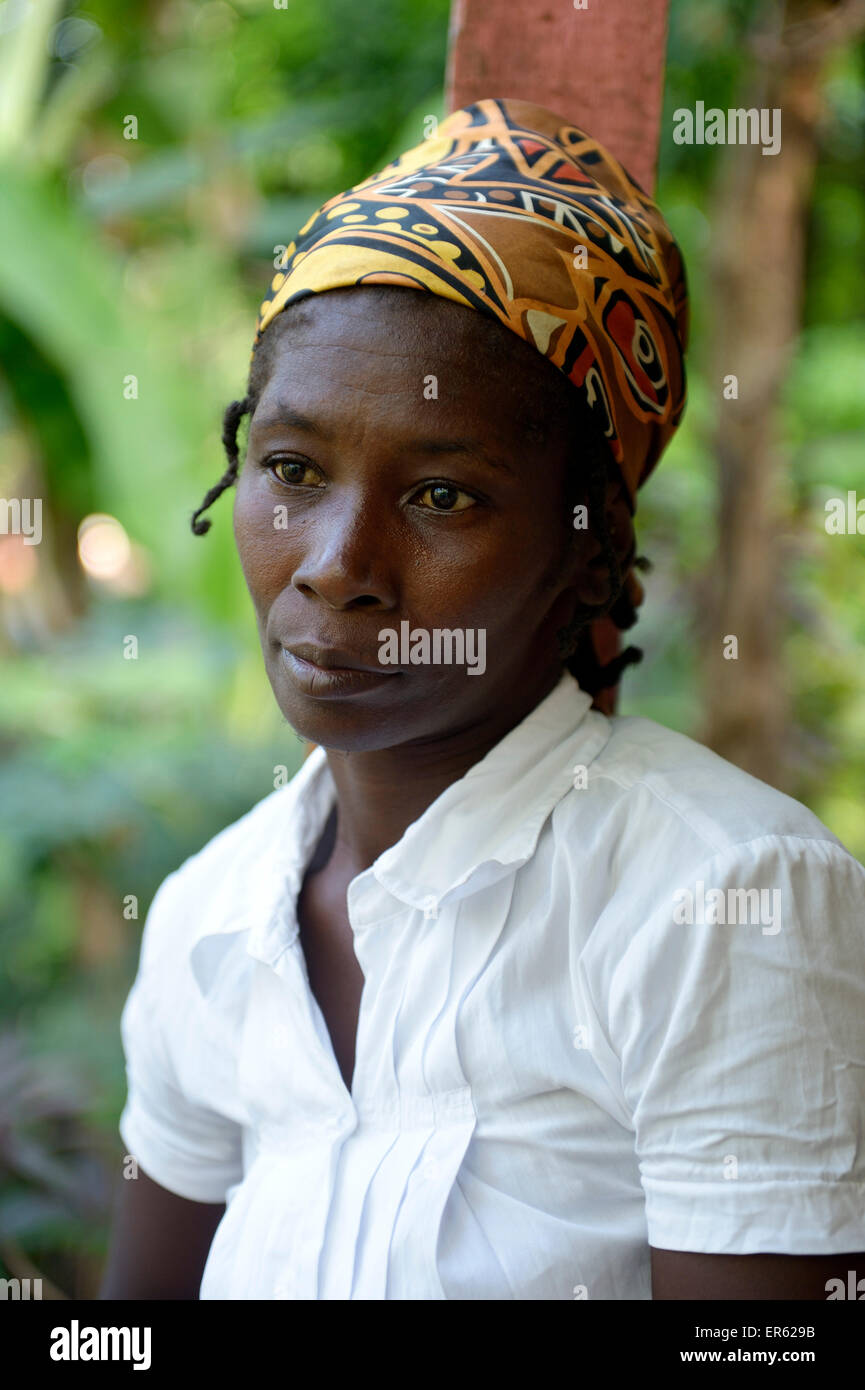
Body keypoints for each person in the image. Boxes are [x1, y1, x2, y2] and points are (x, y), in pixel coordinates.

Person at [101, 98, 865, 1300]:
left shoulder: (715, 899)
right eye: (293, 471)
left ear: (584, 540)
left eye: (444, 496)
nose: (337, 567)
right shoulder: (212, 921)